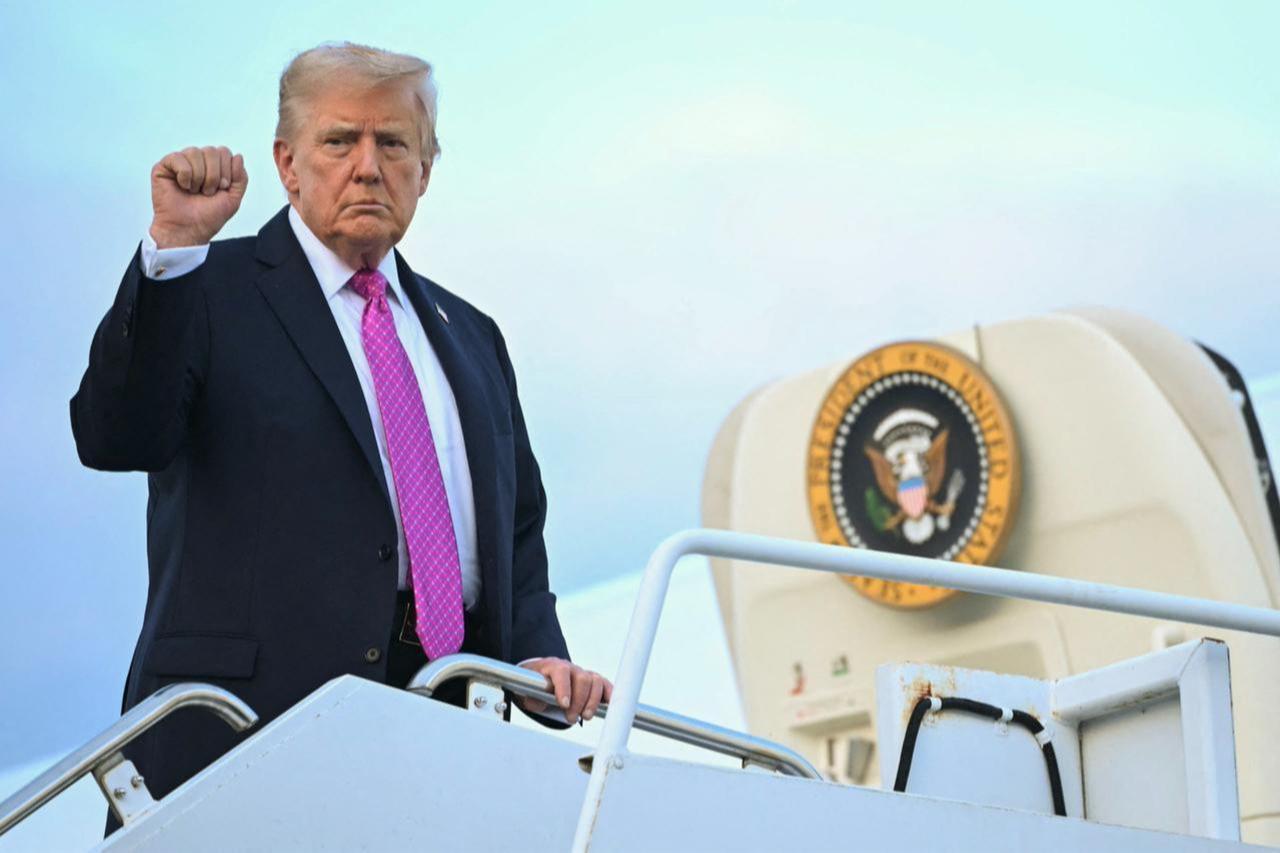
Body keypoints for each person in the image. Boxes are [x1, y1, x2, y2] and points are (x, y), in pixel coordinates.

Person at [71, 42, 611, 819]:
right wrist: (173, 252)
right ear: (288, 163)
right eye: (339, 141)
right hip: (243, 740)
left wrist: (537, 654)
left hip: (446, 745)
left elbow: (516, 534)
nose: (367, 166)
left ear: (426, 168)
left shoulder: (473, 335)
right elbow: (115, 435)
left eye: (392, 142)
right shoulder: (205, 288)